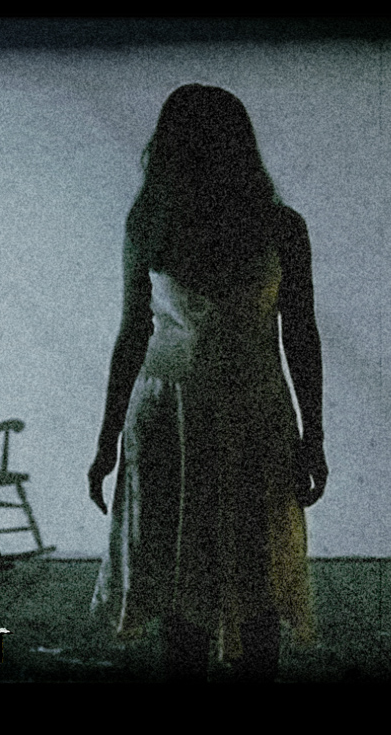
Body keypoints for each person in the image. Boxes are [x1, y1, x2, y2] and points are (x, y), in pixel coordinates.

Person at [88, 84, 328, 682]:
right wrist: (313, 436)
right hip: (244, 412)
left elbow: (133, 335)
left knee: (185, 578)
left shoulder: (153, 223)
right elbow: (300, 335)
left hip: (177, 413)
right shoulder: (279, 226)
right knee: (253, 574)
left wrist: (107, 441)